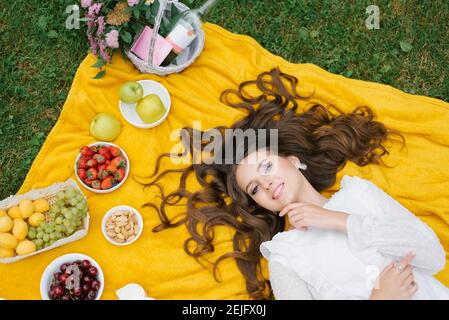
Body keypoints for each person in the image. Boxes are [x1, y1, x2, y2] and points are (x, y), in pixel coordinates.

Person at [143, 68, 448, 299]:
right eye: (254, 189)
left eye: (266, 166)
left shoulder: (359, 193)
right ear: (259, 204)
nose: (266, 185)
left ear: (292, 160)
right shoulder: (285, 258)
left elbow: (432, 256)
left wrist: (339, 220)